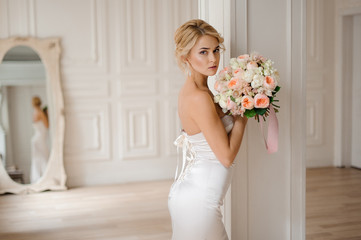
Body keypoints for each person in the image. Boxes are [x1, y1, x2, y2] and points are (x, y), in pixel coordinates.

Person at [168, 19, 248, 240]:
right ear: (186, 57)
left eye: (215, 50)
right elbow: (226, 156)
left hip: (193, 194)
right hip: (198, 202)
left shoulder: (199, 89)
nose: (213, 59)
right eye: (203, 52)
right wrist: (245, 112)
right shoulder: (199, 97)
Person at [30, 96, 49, 183]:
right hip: (40, 139)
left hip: (36, 139)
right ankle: (44, 178)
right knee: (43, 157)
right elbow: (47, 125)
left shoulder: (34, 113)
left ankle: (38, 178)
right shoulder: (40, 112)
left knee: (38, 158)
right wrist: (47, 114)